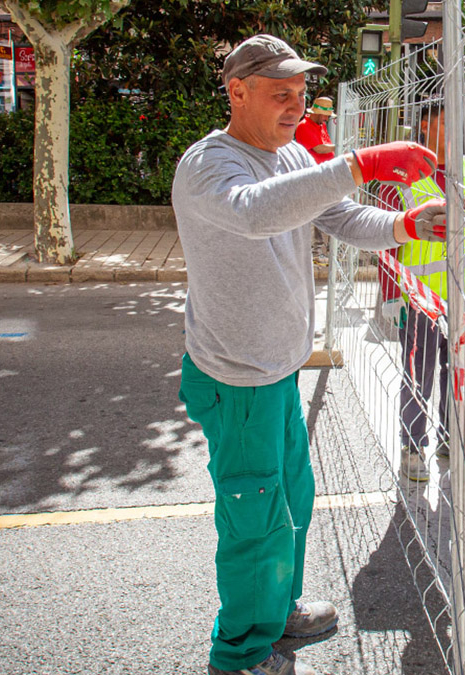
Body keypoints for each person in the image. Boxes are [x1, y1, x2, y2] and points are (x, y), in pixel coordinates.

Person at [171, 34, 446, 675]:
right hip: (237, 378)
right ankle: (240, 651)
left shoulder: (292, 153)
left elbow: (341, 217)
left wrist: (407, 226)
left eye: (299, 92)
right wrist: (359, 161)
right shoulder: (210, 164)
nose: (295, 106)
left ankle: (279, 610)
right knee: (254, 517)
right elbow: (255, 214)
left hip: (278, 368)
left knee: (291, 497)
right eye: (279, 93)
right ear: (237, 92)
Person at [376, 101, 465, 482]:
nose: (456, 129)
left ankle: (450, 438)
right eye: (447, 121)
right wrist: (391, 297)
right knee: (418, 374)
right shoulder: (403, 176)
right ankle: (412, 446)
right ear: (425, 124)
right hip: (421, 299)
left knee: (459, 372)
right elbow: (387, 240)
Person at [294, 96, 336, 163]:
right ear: (317, 113)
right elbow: (319, 149)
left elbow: (326, 144)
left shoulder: (321, 124)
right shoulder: (304, 126)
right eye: (326, 115)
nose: (327, 119)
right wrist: (339, 147)